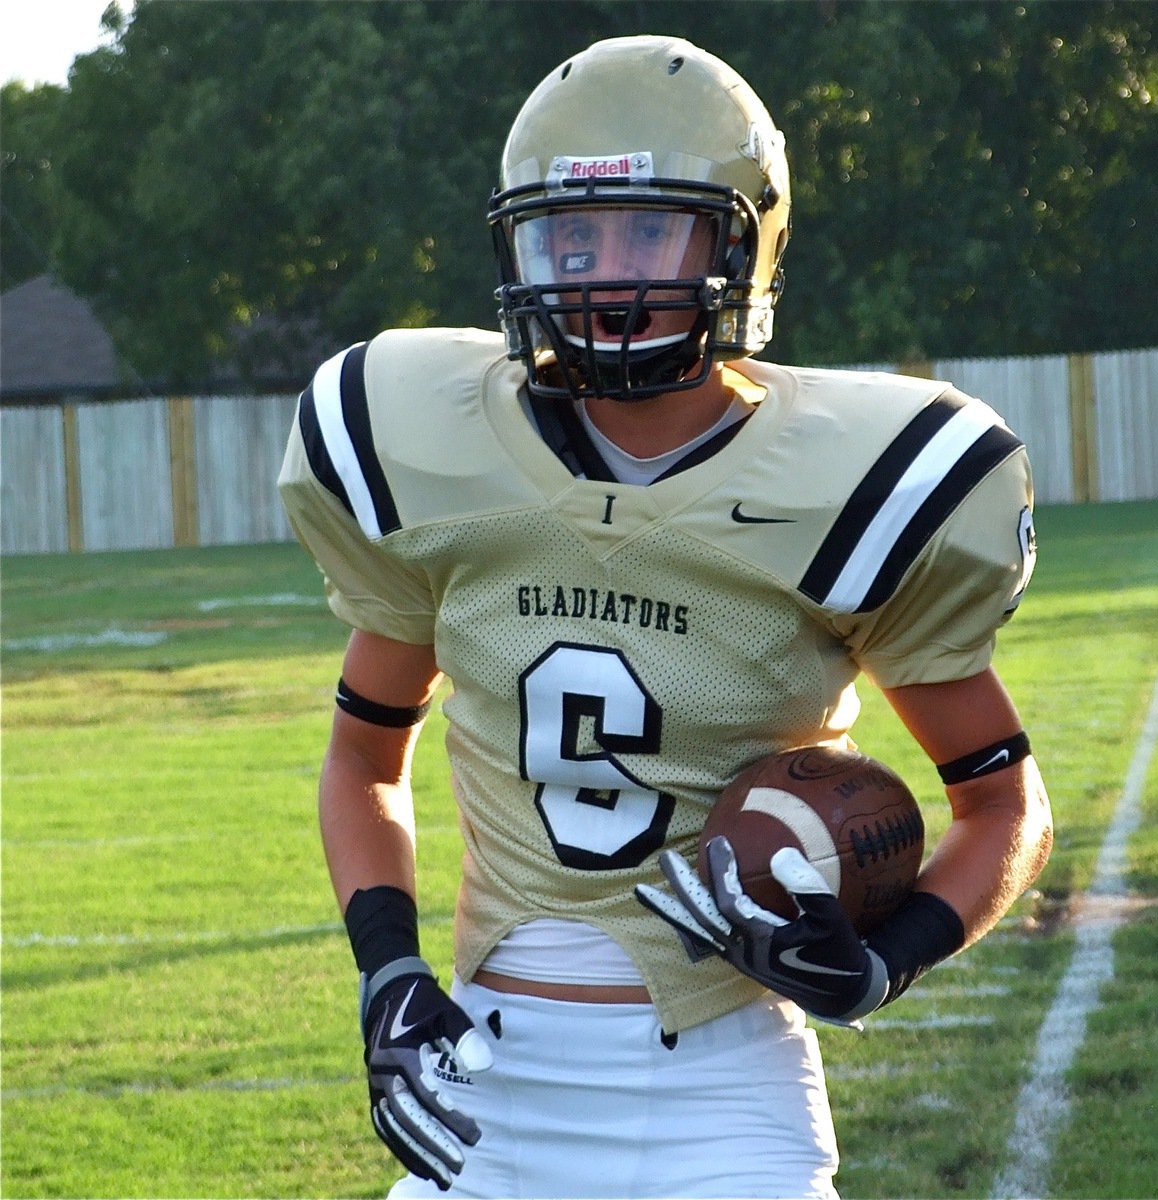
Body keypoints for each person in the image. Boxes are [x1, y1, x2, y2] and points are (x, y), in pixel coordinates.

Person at [278, 34, 1053, 1200]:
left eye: (649, 229)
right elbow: (361, 763)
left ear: (741, 239)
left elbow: (1002, 806)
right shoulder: (426, 450)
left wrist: (884, 963)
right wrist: (386, 971)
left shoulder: (855, 483)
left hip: (722, 1098)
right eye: (570, 237)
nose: (605, 274)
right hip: (483, 1086)